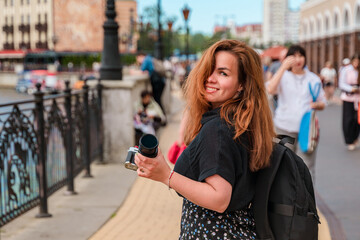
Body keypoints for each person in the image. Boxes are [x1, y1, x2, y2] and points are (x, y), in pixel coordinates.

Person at [134, 39, 275, 239]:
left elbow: (219, 198)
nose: (210, 78)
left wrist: (166, 175)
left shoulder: (218, 129)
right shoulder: (242, 122)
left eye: (223, 73)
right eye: (209, 69)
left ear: (241, 85)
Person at [266, 45, 326, 181]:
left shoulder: (313, 79)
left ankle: (307, 200)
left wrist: (317, 105)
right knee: (281, 163)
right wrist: (282, 67)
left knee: (307, 166)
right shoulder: (283, 76)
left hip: (308, 128)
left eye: (301, 56)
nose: (298, 59)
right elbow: (270, 89)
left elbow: (323, 102)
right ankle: (284, 200)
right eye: (294, 56)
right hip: (283, 126)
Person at [338, 54, 360, 151]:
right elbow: (341, 84)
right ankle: (349, 140)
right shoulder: (346, 70)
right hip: (348, 97)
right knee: (348, 120)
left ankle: (355, 137)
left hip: (358, 98)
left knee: (357, 120)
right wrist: (351, 89)